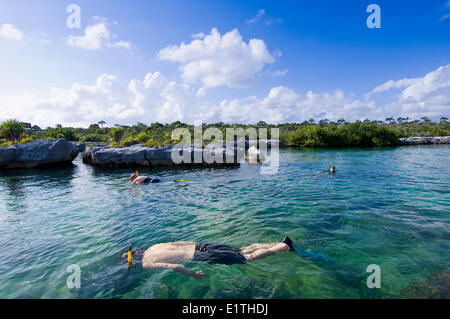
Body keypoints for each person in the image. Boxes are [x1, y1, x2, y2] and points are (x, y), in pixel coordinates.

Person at [123, 237, 296, 279]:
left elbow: (175, 267)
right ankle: (278, 242)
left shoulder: (147, 263)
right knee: (241, 250)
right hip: (200, 246)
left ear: (134, 261)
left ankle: (282, 247)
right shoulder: (153, 247)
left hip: (199, 256)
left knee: (245, 258)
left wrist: (195, 275)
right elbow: (180, 242)